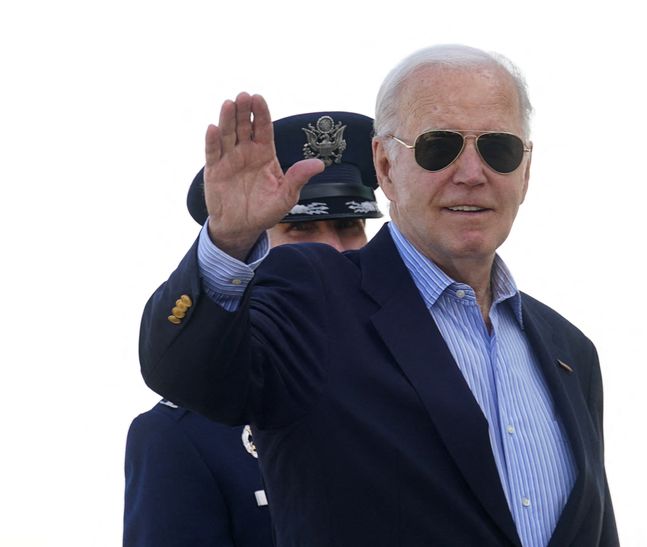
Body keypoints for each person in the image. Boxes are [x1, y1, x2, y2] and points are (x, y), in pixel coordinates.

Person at [139, 44, 618, 547]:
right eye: (440, 146)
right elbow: (186, 372)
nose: (473, 173)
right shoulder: (313, 297)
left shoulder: (571, 352)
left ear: (525, 171)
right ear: (385, 167)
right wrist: (230, 241)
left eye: (499, 148)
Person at [124, 111, 381, 547]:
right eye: (301, 228)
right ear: (254, 248)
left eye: (348, 227)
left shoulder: (422, 379)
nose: (334, 250)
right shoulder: (183, 435)